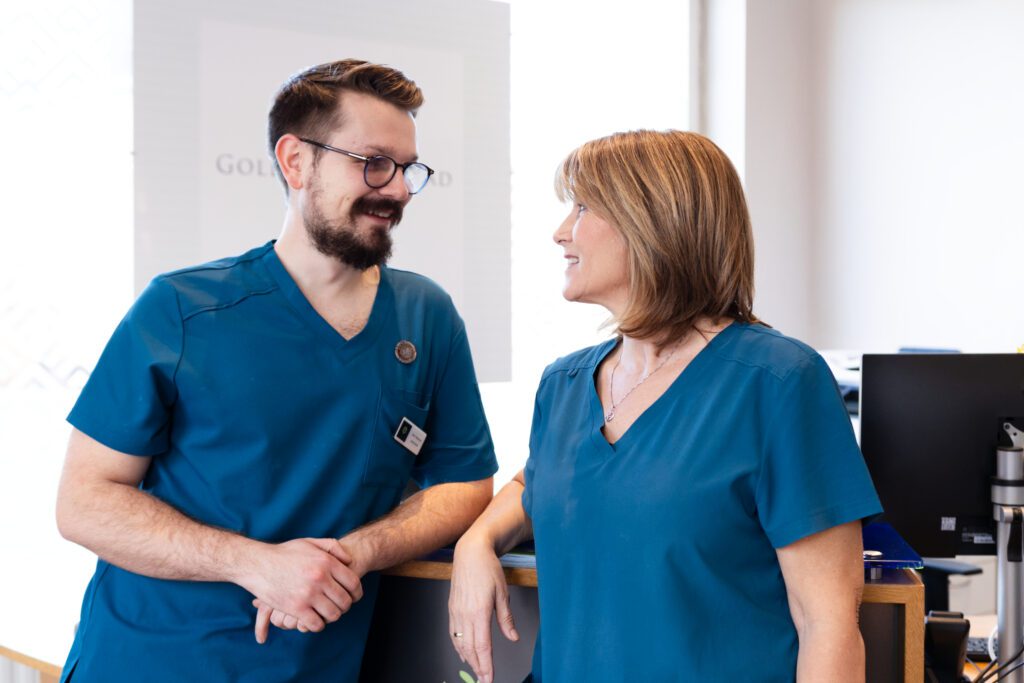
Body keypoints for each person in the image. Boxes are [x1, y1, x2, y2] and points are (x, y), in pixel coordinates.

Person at [55, 58, 497, 682]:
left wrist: (354, 554)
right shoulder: (183, 309)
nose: (396, 189)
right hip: (150, 660)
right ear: (296, 161)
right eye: (373, 162)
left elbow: (463, 482)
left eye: (408, 170)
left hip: (316, 665)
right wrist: (255, 564)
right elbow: (84, 501)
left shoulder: (426, 317)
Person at [447, 130, 882, 682]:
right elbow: (538, 483)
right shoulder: (563, 383)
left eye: (581, 207)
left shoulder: (777, 382)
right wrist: (476, 540)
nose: (560, 232)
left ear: (649, 220)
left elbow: (828, 625)